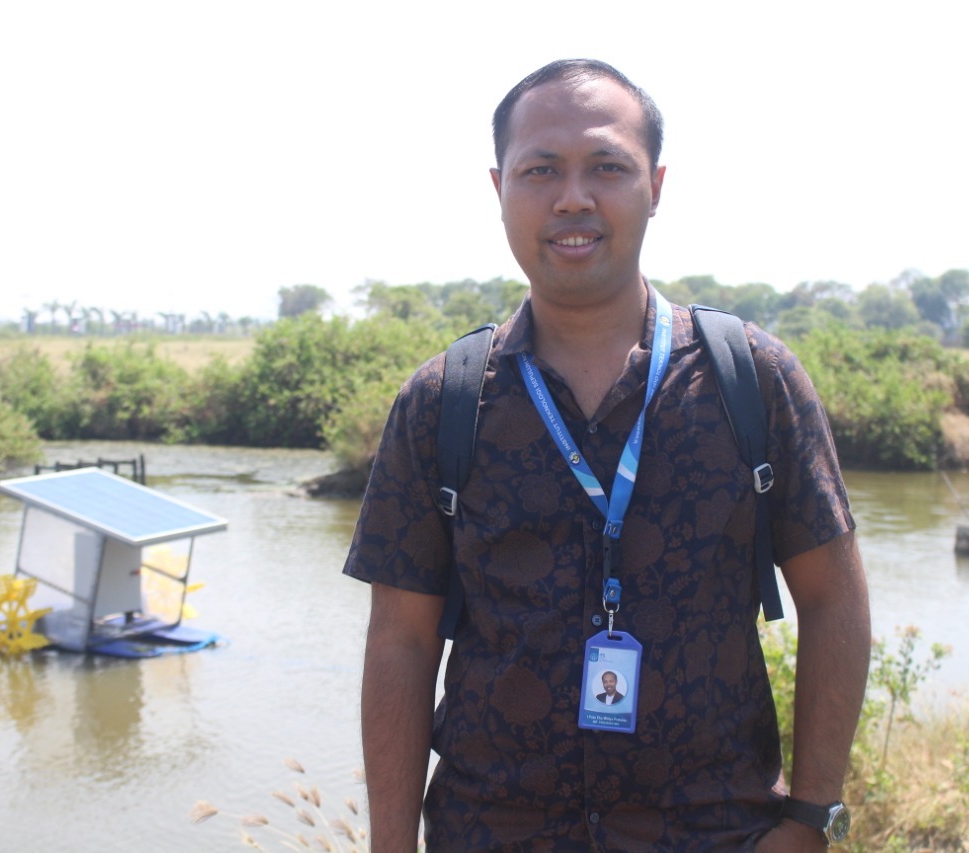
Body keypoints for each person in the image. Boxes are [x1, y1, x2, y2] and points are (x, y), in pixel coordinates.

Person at [343, 58, 870, 852]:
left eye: (608, 167)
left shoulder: (750, 380)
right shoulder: (442, 401)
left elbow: (834, 598)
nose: (572, 198)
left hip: (714, 833)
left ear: (656, 185)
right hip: (493, 833)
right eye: (540, 170)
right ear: (499, 188)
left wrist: (810, 817)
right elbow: (401, 642)